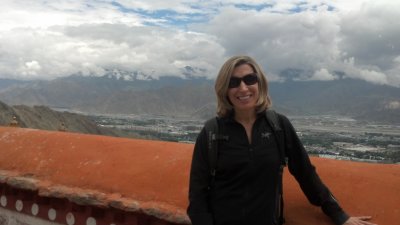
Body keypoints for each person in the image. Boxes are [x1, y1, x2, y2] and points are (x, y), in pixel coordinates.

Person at [187, 55, 376, 225]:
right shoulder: (212, 132)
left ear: (260, 83)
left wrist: (339, 215)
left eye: (250, 79)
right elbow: (198, 194)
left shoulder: (278, 125)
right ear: (224, 89)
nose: (243, 88)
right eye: (233, 82)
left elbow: (305, 173)